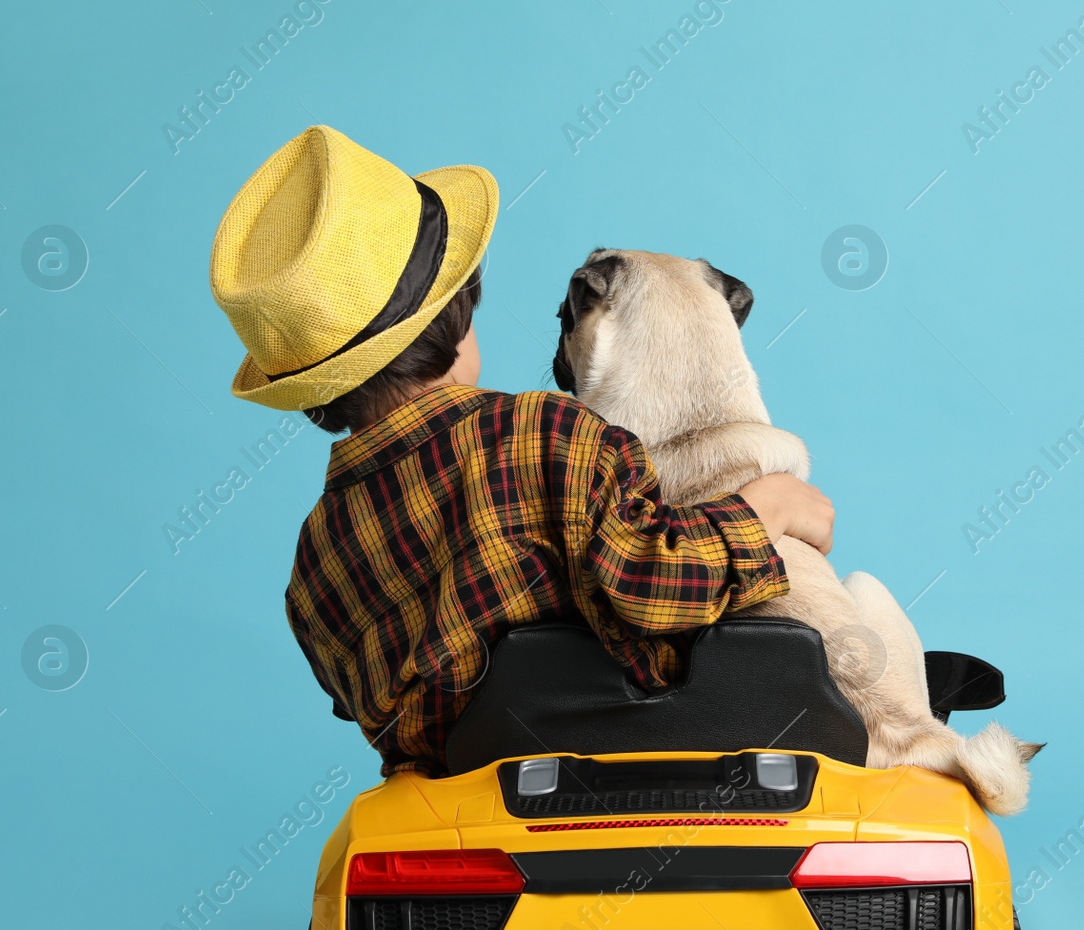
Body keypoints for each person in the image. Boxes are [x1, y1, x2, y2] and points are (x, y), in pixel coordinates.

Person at [209, 126, 834, 777]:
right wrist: (767, 508)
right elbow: (654, 587)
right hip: (639, 781)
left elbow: (363, 707)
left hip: (468, 812)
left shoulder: (315, 560)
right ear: (455, 315)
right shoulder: (549, 435)